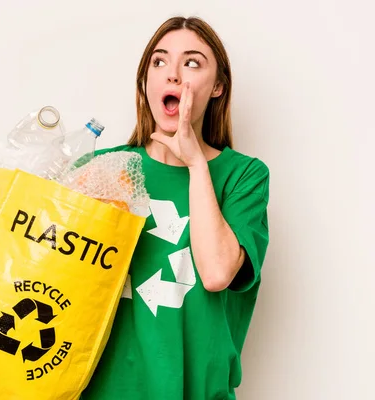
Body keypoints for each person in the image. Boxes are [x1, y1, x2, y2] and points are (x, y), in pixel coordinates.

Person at [81, 16, 270, 400]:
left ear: (217, 87)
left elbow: (217, 273)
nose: (173, 75)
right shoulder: (102, 170)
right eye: (159, 61)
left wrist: (196, 164)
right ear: (145, 83)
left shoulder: (243, 176)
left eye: (192, 63)